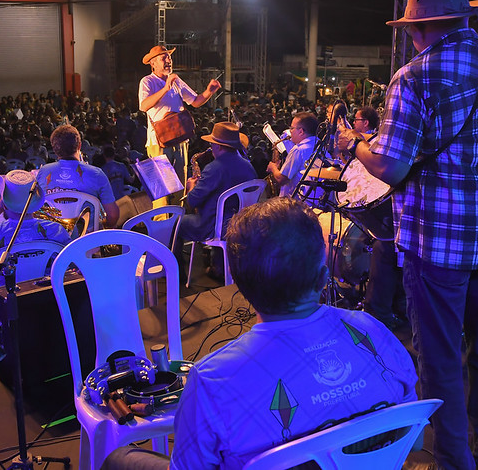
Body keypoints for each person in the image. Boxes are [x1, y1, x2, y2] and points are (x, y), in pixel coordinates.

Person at [339, 0, 478, 470]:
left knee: (440, 359)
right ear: (466, 17)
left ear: (418, 28)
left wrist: (358, 146)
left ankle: (455, 463)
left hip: (437, 246)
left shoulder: (413, 76)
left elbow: (390, 166)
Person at [102, 197, 417, 469]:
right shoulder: (374, 332)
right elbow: (412, 442)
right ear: (323, 277)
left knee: (119, 458)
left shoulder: (213, 380)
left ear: (240, 288)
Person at [336, 107, 406, 330]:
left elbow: (385, 169)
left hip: (397, 217)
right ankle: (390, 310)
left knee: (384, 251)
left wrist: (354, 144)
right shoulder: (378, 138)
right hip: (401, 220)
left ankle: (378, 317)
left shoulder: (391, 140)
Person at [0, 170, 71, 310]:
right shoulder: (55, 229)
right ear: (35, 203)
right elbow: (70, 258)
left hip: (5, 293)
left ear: (5, 203)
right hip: (46, 292)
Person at [138, 45, 220, 205]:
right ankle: (162, 226)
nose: (168, 61)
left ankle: (177, 224)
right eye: (164, 58)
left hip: (180, 140)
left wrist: (209, 91)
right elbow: (143, 106)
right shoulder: (147, 81)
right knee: (162, 193)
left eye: (169, 57)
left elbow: (195, 101)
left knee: (179, 189)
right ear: (153, 63)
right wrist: (166, 87)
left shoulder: (176, 80)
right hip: (159, 143)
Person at [178, 122, 257, 277]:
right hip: (243, 223)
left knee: (175, 224)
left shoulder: (214, 168)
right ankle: (220, 269)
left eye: (212, 144)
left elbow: (192, 201)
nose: (211, 147)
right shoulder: (248, 166)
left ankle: (176, 274)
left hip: (216, 226)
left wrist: (191, 186)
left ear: (220, 146)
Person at [36, 124, 119, 229]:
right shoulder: (97, 174)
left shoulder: (44, 172)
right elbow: (113, 216)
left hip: (54, 241)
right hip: (88, 242)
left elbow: (36, 210)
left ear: (54, 149)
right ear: (79, 146)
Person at [266, 111, 319, 199]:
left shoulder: (298, 150)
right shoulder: (319, 145)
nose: (290, 132)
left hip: (295, 202)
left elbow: (281, 179)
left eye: (292, 128)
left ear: (301, 131)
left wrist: (273, 167)